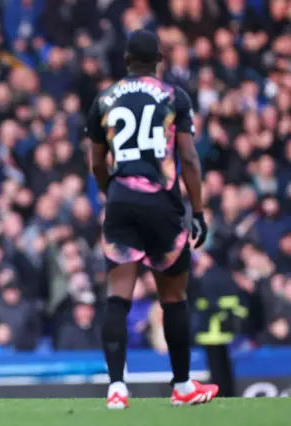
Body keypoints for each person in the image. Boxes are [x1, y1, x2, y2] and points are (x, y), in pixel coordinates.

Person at [85, 30, 219, 409]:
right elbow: (189, 159)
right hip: (162, 202)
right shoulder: (176, 96)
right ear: (159, 57)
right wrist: (199, 209)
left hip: (121, 197)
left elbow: (96, 161)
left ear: (126, 58)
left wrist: (108, 190)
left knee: (118, 296)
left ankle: (116, 388)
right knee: (174, 298)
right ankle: (182, 385)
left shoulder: (104, 98)